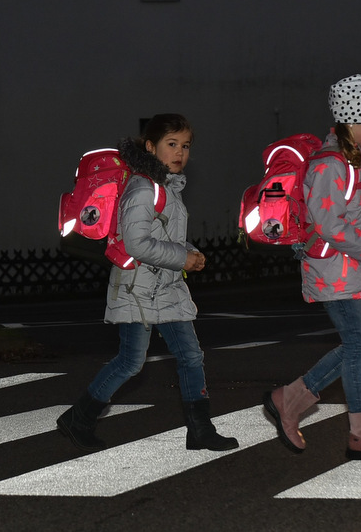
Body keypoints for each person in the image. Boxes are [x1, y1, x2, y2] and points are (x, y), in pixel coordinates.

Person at [57, 114, 239, 453]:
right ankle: (78, 417)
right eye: (172, 145)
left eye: (185, 146)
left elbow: (165, 237)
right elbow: (136, 243)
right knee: (131, 362)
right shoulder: (143, 188)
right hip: (136, 288)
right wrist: (182, 258)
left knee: (190, 355)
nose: (180, 153)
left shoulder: (167, 187)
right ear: (151, 147)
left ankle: (199, 428)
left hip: (165, 288)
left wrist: (190, 252)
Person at [263, 75, 361, 460]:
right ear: (351, 120)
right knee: (358, 345)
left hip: (353, 271)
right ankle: (356, 429)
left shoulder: (353, 163)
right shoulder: (329, 166)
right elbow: (328, 224)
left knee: (359, 347)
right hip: (334, 272)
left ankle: (294, 401)